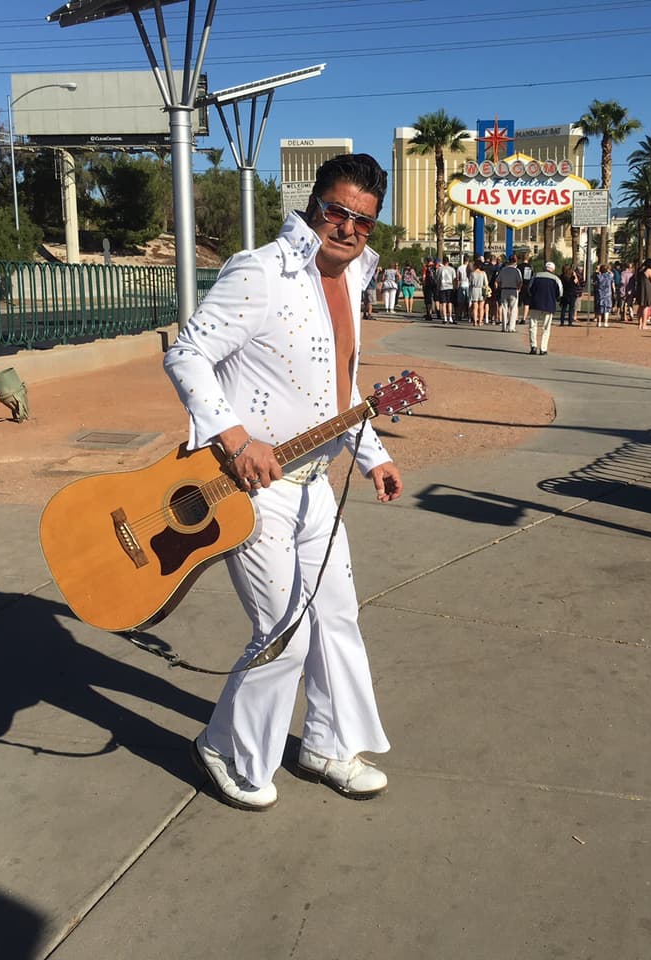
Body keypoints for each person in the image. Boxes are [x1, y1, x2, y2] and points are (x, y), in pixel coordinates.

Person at [163, 153, 402, 812]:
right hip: (251, 491)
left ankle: (328, 744)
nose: (348, 229)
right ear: (313, 204)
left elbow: (338, 387)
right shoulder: (261, 272)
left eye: (363, 220)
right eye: (338, 212)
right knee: (283, 631)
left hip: (316, 485)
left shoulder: (353, 277)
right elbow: (187, 354)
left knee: (336, 617)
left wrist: (372, 455)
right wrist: (235, 439)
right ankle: (225, 748)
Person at [526, 260, 563, 355]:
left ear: (544, 268)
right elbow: (560, 293)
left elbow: (529, 289)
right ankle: (543, 348)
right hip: (549, 305)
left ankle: (533, 346)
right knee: (546, 327)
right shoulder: (556, 279)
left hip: (535, 304)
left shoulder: (536, 276)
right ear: (553, 269)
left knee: (533, 325)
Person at [496, 254, 523, 332]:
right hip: (513, 290)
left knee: (504, 308)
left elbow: (498, 280)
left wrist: (501, 286)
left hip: (504, 290)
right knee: (513, 309)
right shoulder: (517, 270)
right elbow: (520, 281)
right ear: (515, 261)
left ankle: (504, 327)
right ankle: (511, 327)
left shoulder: (503, 270)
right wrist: (518, 288)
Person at [636, 258, 651, 331]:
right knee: (645, 307)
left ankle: (640, 324)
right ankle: (644, 324)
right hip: (647, 290)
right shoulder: (649, 270)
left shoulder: (640, 270)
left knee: (640, 307)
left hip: (640, 290)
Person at [469, 258, 489, 326]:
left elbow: (470, 283)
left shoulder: (472, 273)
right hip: (481, 290)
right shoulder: (483, 273)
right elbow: (486, 283)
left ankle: (475, 321)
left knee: (475, 307)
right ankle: (480, 321)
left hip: (474, 289)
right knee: (481, 307)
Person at [437, 255, 457, 323]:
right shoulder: (452, 269)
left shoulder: (440, 269)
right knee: (450, 303)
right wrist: (454, 287)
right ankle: (450, 317)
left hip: (442, 287)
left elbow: (438, 279)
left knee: (444, 303)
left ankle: (445, 317)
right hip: (450, 287)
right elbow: (454, 279)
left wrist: (438, 287)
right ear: (448, 262)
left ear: (443, 262)